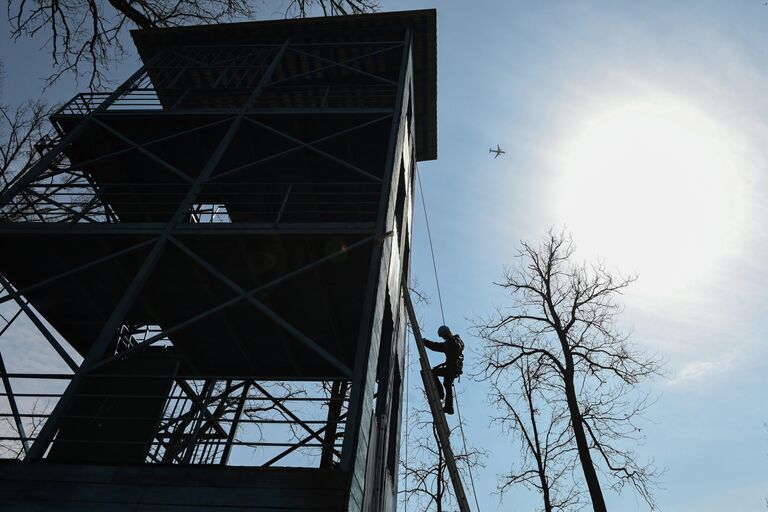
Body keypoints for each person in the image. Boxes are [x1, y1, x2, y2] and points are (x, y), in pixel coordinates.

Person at [423, 325, 464, 414]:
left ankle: (442, 397)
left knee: (445, 382)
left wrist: (424, 342)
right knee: (442, 379)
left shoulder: (451, 343)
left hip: (452, 368)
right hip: (454, 368)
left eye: (443, 336)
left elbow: (436, 346)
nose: (443, 338)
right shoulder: (457, 341)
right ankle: (447, 403)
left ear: (446, 333)